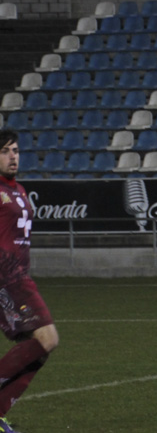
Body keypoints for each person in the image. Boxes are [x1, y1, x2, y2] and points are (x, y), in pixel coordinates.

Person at [0, 129, 59, 433]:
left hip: (20, 277)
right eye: (6, 151)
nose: (13, 156)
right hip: (7, 276)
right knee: (48, 339)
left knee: (43, 345)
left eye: (16, 150)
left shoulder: (19, 189)